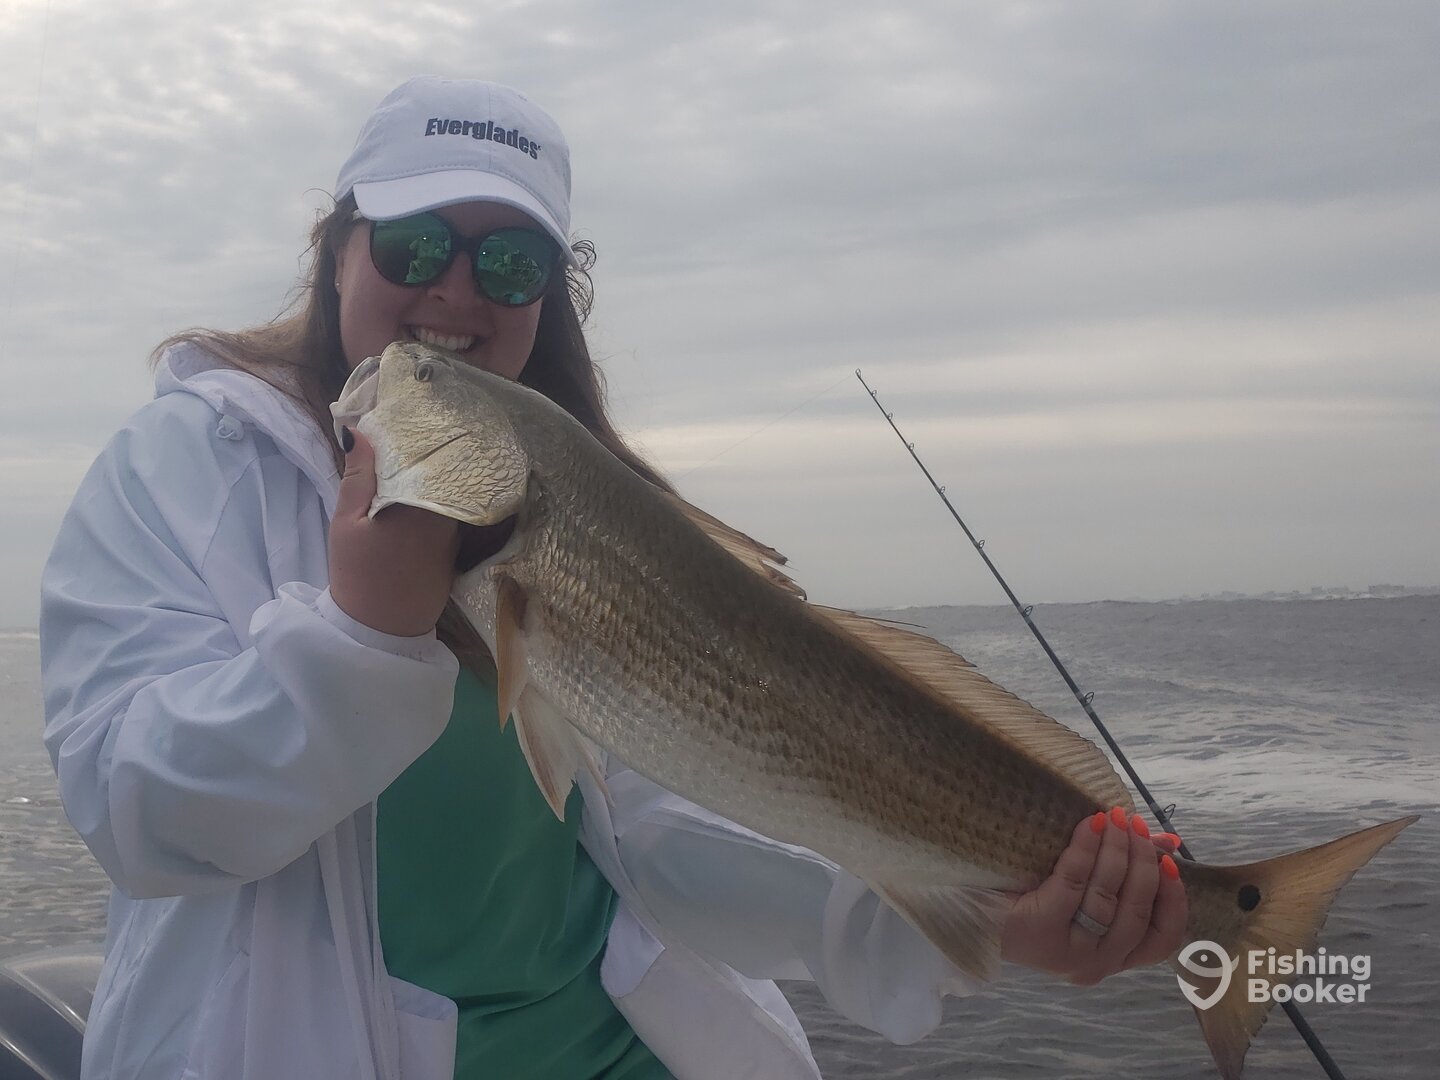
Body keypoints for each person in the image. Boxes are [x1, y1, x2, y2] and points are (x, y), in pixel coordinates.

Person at [40, 76, 1187, 1080]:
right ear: (335, 251)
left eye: (509, 262)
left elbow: (673, 827)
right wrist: (364, 637)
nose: (455, 293)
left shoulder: (596, 512)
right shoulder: (183, 464)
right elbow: (138, 816)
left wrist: (979, 917)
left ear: (549, 295)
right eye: (411, 245)